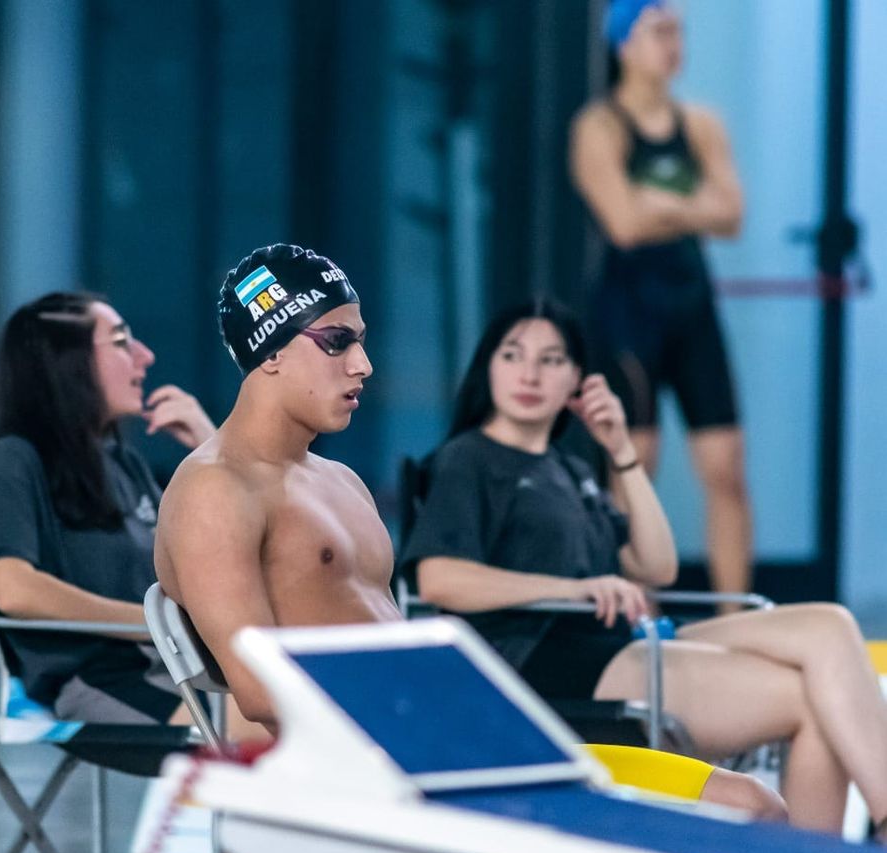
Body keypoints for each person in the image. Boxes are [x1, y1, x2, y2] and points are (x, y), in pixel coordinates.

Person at [153, 245, 782, 820]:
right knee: (734, 824)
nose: (364, 365)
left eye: (362, 341)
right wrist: (443, 724)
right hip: (405, 783)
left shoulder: (342, 483)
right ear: (269, 351)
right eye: (337, 342)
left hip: (469, 749)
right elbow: (259, 690)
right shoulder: (215, 492)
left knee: (755, 807)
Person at [403, 297, 887, 836]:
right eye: (513, 355)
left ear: (578, 383)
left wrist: (621, 451)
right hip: (547, 662)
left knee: (829, 626)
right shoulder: (468, 460)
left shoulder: (569, 469)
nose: (530, 374)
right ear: (488, 365)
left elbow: (656, 565)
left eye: (552, 360)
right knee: (812, 701)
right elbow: (438, 578)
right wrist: (576, 587)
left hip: (616, 646)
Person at [0, 291, 228, 726]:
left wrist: (214, 450)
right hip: (101, 678)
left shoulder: (122, 463)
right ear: (68, 362)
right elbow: (11, 587)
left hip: (174, 663)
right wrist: (153, 626)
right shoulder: (16, 460)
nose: (145, 356)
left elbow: (211, 557)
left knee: (300, 706)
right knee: (258, 724)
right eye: (122, 342)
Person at [570, 0, 753, 602]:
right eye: (660, 32)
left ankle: (733, 616)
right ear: (624, 44)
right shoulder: (599, 127)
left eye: (679, 31)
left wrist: (662, 205)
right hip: (629, 315)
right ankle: (635, 615)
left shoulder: (701, 123)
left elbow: (732, 213)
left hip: (693, 308)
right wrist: (687, 202)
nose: (674, 44)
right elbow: (622, 223)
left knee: (726, 471)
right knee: (633, 467)